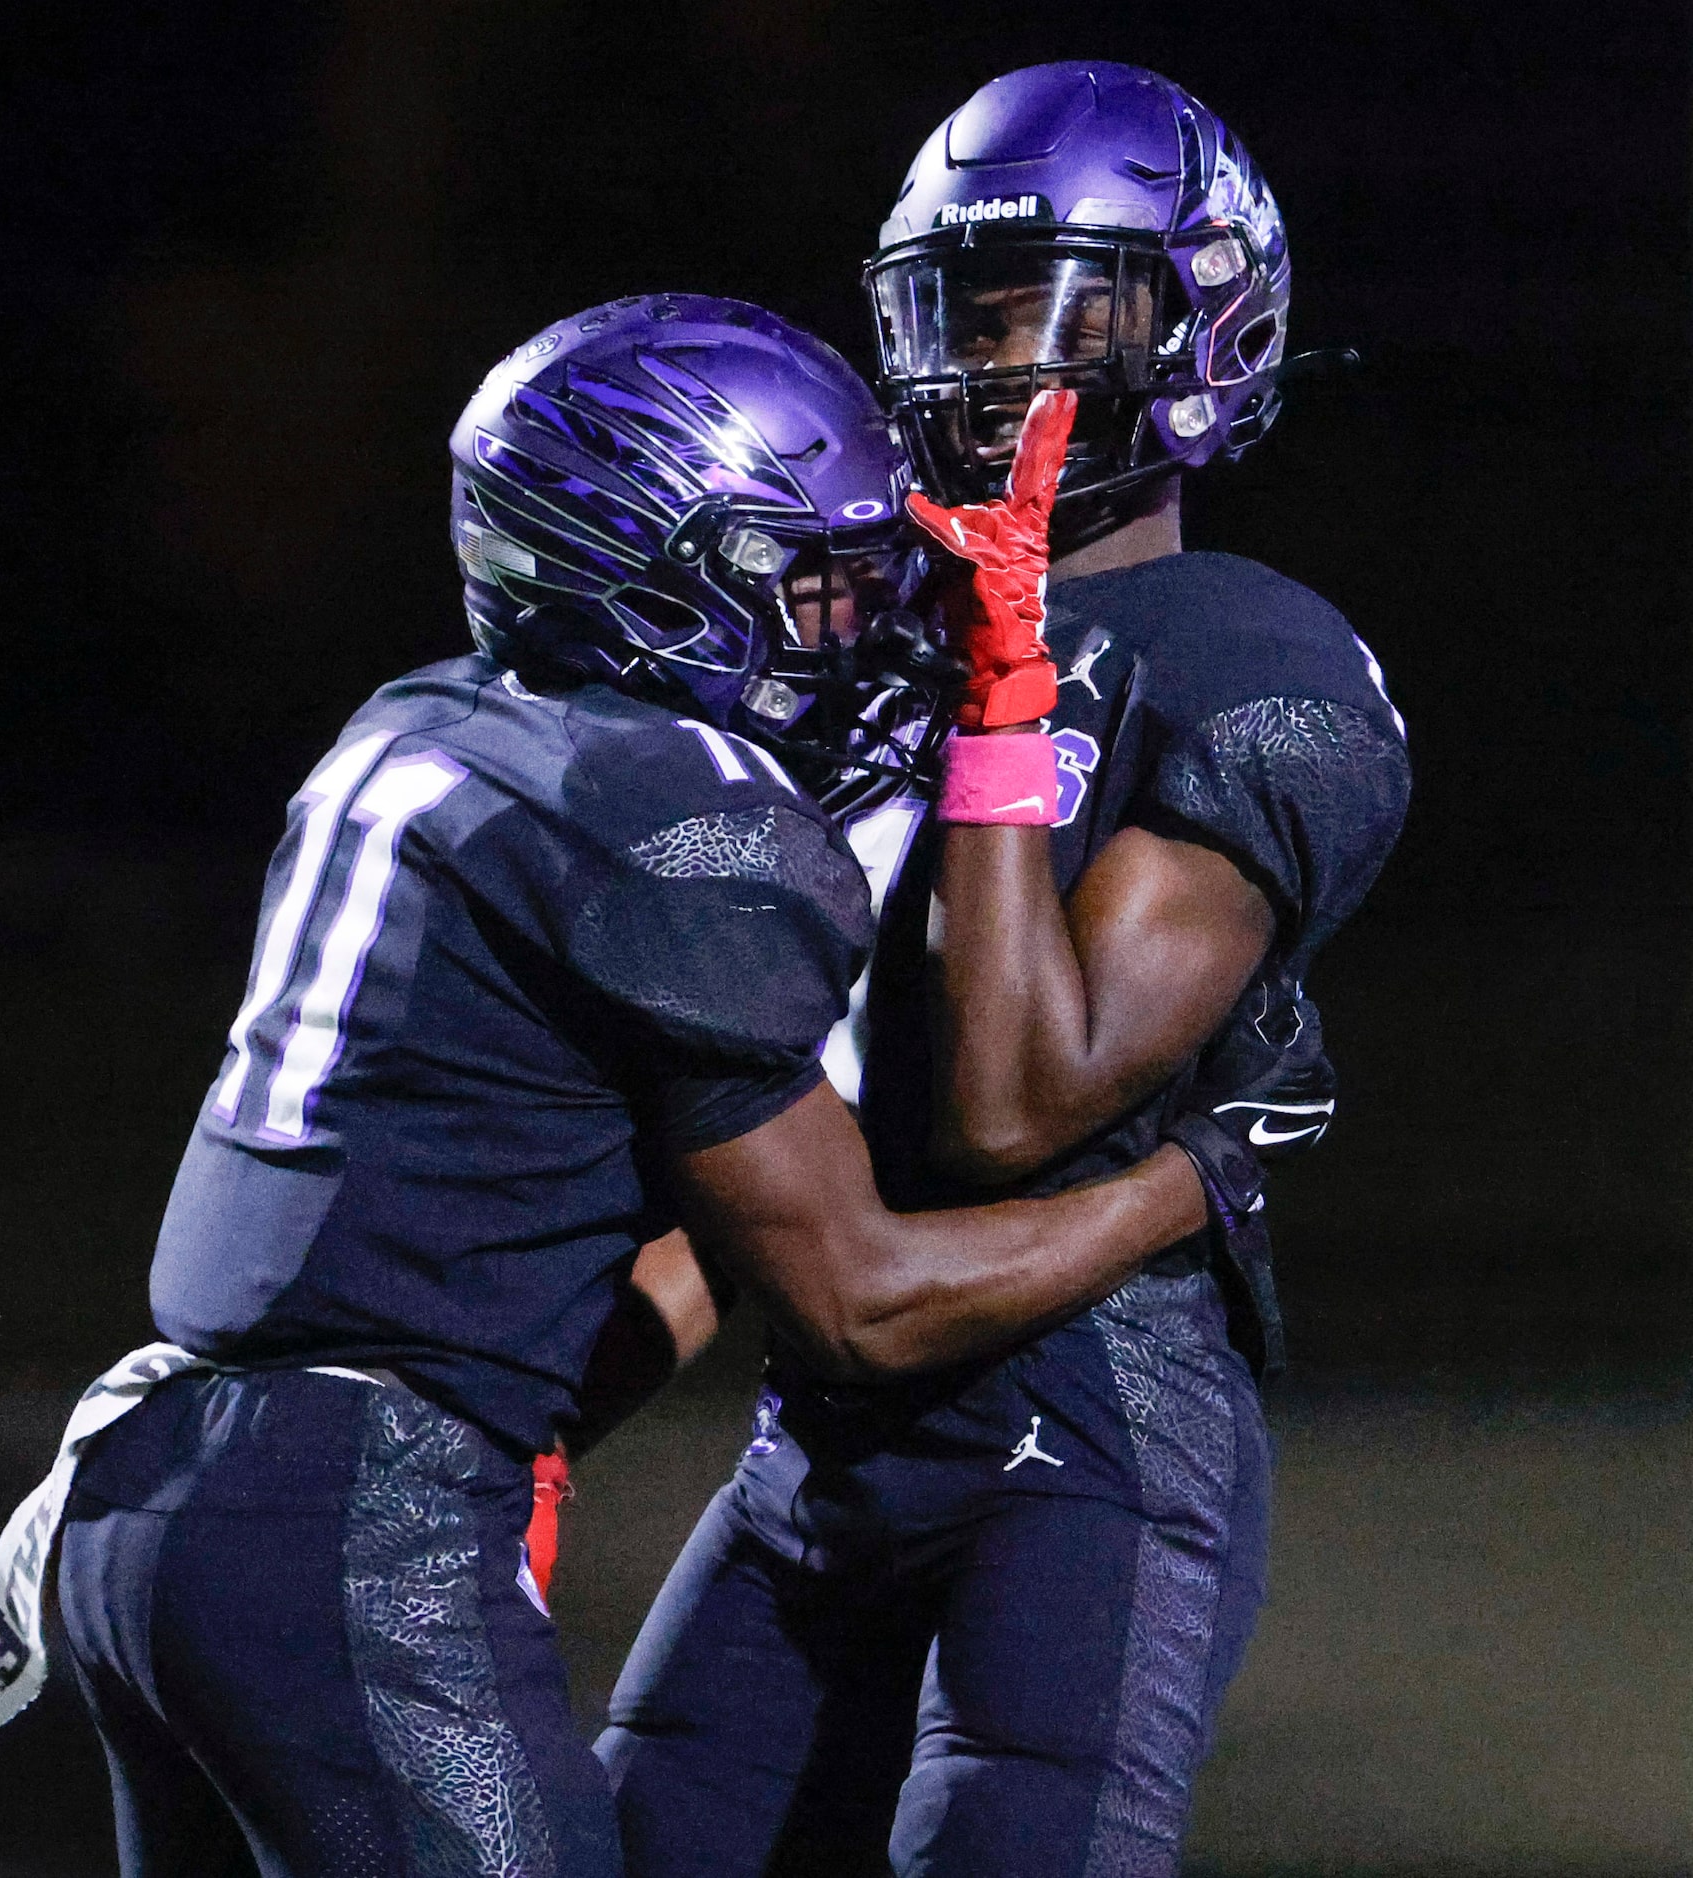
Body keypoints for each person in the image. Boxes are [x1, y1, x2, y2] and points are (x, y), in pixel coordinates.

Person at [29, 294, 1243, 1878]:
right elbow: (857, 1299)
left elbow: (651, 1238)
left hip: (148, 1498)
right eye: (807, 580)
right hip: (351, 1525)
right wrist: (1193, 1180)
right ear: (658, 582)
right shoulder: (680, 819)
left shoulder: (422, 727)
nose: (857, 623)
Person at [598, 65, 1412, 1878]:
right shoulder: (874, 640)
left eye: (1063, 304)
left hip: (1084, 1414)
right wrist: (506, 1396)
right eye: (964, 310)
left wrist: (1006, 687)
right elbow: (779, 1101)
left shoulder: (1260, 658)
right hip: (827, 1419)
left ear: (1206, 329)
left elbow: (1005, 1106)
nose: (997, 362)